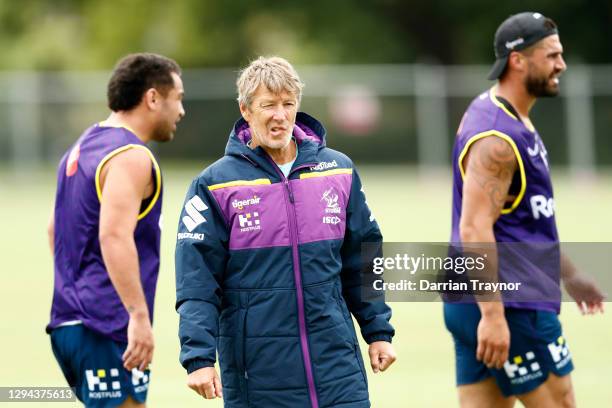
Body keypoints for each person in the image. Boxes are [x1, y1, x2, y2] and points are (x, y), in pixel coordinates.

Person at [175, 56, 396, 407]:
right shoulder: (214, 185)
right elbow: (197, 281)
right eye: (268, 105)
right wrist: (199, 358)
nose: (280, 115)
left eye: (287, 104)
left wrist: (378, 332)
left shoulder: (337, 171)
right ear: (246, 109)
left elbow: (363, 259)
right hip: (259, 376)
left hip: (338, 369)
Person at [444, 12, 605, 408]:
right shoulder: (498, 138)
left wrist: (570, 274)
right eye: (551, 56)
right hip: (511, 305)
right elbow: (475, 229)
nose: (561, 65)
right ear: (518, 60)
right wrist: (495, 317)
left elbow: (527, 224)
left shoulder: (506, 116)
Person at [47, 53, 185, 407]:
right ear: (153, 98)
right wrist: (137, 316)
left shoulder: (81, 147)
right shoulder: (130, 156)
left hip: (68, 325)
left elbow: (54, 229)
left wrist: (77, 291)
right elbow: (113, 235)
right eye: (178, 98)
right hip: (106, 326)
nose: (181, 111)